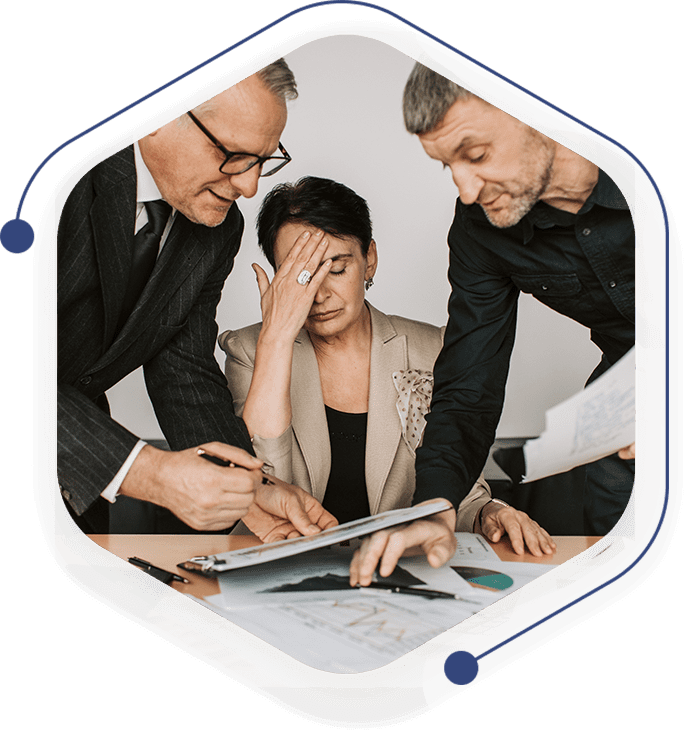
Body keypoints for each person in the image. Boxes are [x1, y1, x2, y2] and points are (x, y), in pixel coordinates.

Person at [350, 64, 635, 586]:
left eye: (476, 155)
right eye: (447, 166)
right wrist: (436, 505)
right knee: (619, 492)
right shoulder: (480, 233)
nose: (465, 189)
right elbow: (468, 389)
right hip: (629, 388)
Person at [57, 61, 336, 538]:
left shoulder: (218, 228)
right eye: (234, 155)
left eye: (264, 160)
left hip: (69, 493)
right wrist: (148, 473)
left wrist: (248, 486)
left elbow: (182, 370)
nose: (249, 186)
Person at [219, 176, 554, 551]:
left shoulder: (434, 348)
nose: (319, 295)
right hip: (278, 569)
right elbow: (263, 485)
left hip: (398, 572)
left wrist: (487, 512)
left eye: (336, 268)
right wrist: (276, 338)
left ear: (369, 261)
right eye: (300, 277)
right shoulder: (250, 350)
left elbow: (456, 493)